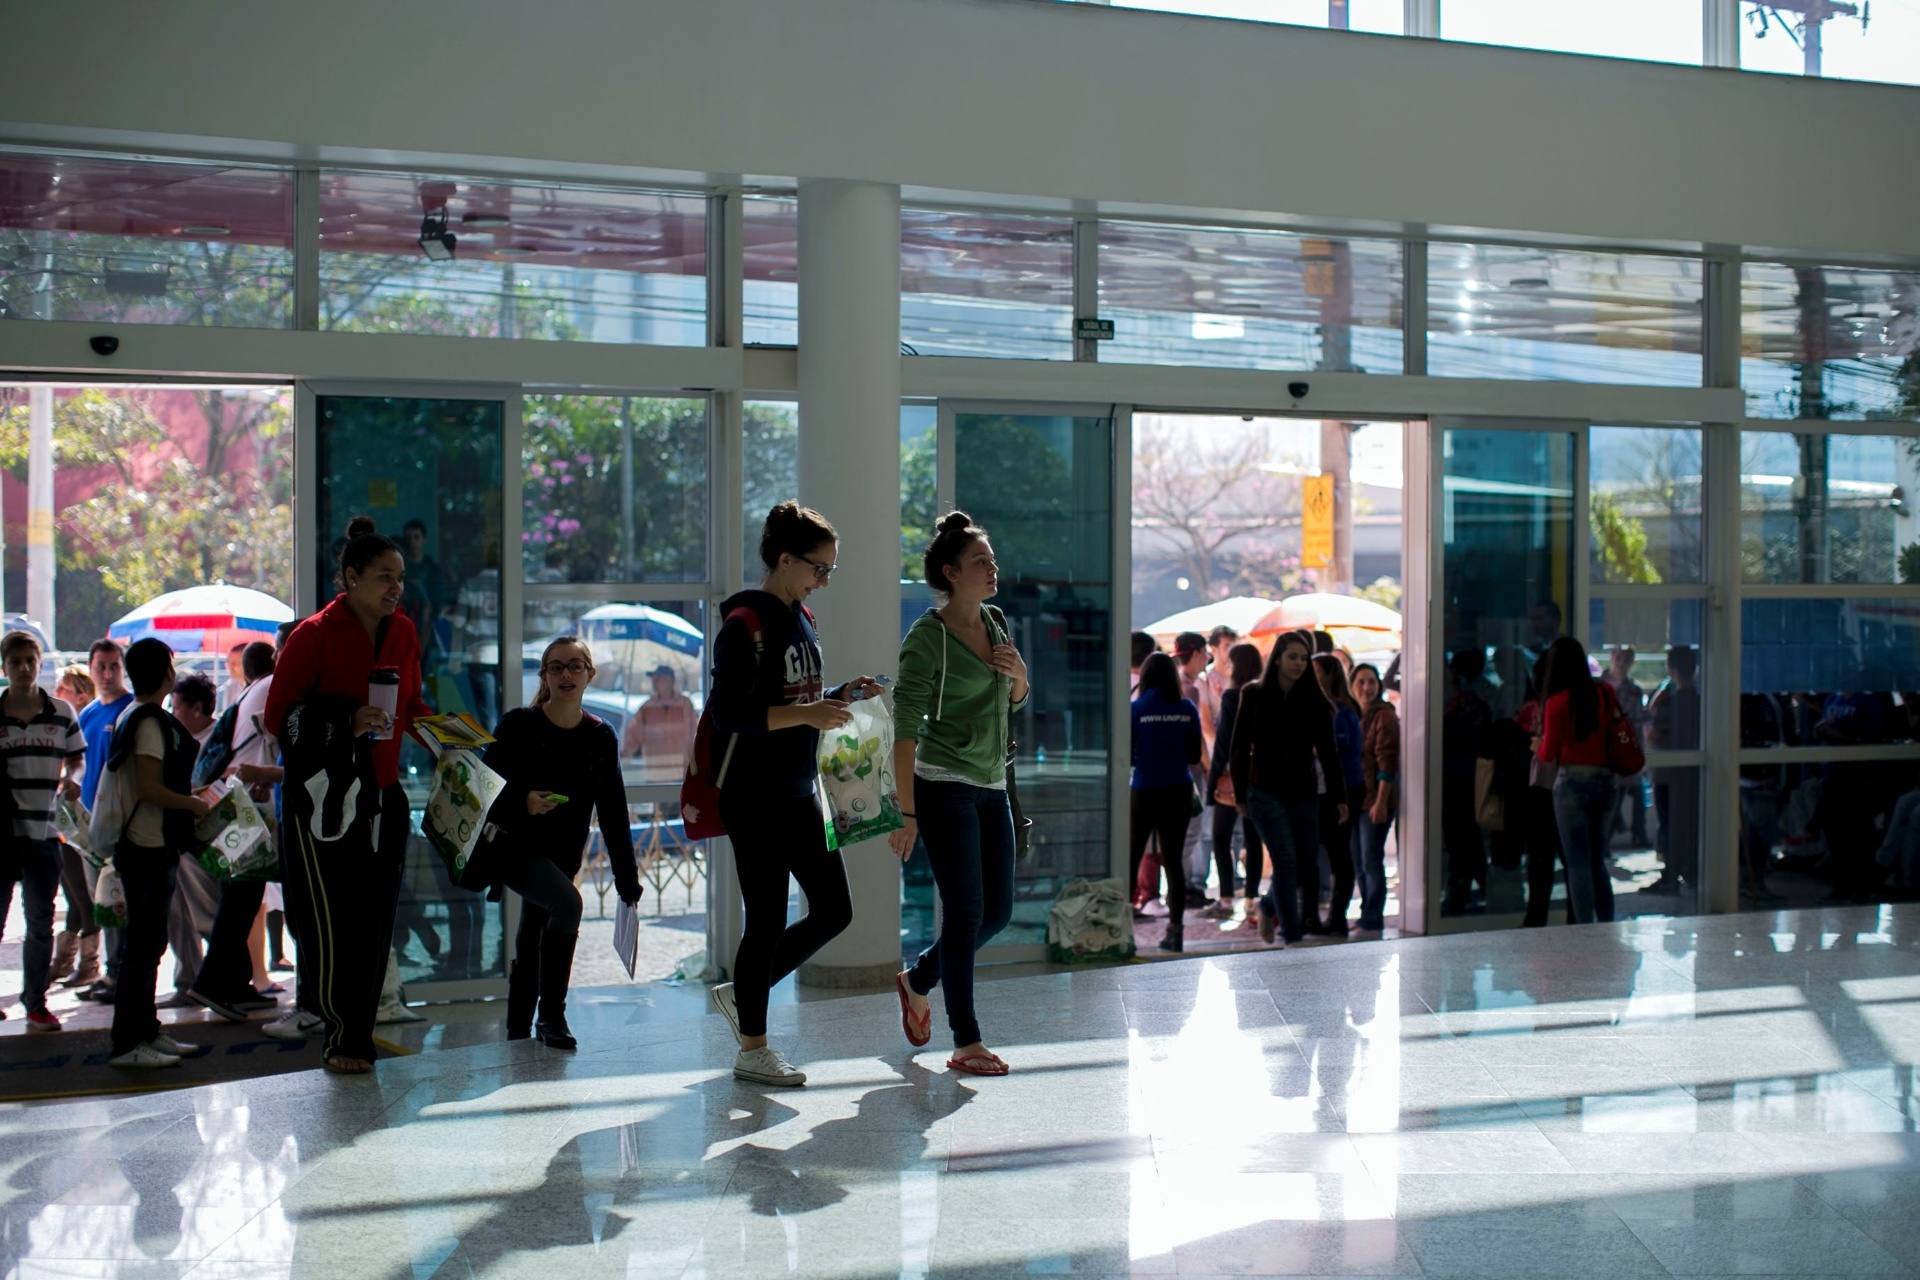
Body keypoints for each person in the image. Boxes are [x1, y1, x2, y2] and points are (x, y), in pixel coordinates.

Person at [705, 502, 880, 1088]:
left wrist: (840, 695)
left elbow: (794, 697)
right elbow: (730, 714)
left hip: (797, 788)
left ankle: (744, 992)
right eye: (818, 568)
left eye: (830, 570)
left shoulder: (802, 617)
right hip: (753, 793)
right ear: (785, 560)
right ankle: (752, 1049)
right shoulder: (743, 624)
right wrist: (808, 713)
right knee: (765, 919)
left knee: (835, 909)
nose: (823, 580)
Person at [266, 516, 434, 1075]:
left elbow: (411, 706)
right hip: (323, 803)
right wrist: (344, 720)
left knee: (374, 921)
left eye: (401, 578)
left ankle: (357, 1035)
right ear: (351, 577)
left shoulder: (403, 632)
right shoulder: (312, 636)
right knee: (330, 923)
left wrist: (447, 740)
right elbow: (278, 718)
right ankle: (341, 1037)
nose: (396, 588)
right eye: (385, 576)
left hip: (384, 796)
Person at [889, 512, 1030, 1074]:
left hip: (992, 782)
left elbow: (1014, 700)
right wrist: (906, 813)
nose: (993, 568)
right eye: (980, 562)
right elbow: (904, 730)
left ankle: (919, 978)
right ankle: (966, 1040)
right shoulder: (927, 639)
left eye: (992, 560)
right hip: (943, 784)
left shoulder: (995, 621)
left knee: (998, 912)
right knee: (966, 910)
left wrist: (1020, 676)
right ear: (950, 573)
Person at [485, 637, 643, 1049]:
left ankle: (517, 1030)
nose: (566, 674)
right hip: (515, 847)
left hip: (563, 853)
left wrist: (626, 879)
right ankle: (552, 1016)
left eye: (575, 666)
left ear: (590, 674)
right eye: (556, 667)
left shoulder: (600, 735)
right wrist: (522, 800)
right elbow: (484, 789)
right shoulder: (518, 725)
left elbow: (613, 810)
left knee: (533, 932)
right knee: (568, 904)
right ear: (545, 676)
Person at [102, 639, 211, 1069]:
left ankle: (146, 1031)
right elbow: (148, 788)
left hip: (148, 844)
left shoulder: (136, 715)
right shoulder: (148, 721)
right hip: (146, 845)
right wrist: (191, 804)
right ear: (165, 672)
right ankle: (128, 1042)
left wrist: (190, 797)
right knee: (142, 948)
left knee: (148, 945)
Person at [189, 640, 298, 1030]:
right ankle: (212, 983)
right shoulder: (277, 687)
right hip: (246, 803)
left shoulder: (256, 687)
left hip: (236, 799)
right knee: (241, 897)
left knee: (241, 895)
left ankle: (236, 984)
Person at [1229, 630, 1347, 947]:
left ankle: (1268, 906)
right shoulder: (1253, 694)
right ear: (1278, 658)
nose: (1298, 663)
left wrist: (1339, 797)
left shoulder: (1314, 700)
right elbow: (1239, 748)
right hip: (1263, 790)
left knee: (1306, 863)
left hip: (1303, 791)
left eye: (1303, 658)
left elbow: (1329, 752)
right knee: (1285, 860)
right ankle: (1292, 935)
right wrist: (1239, 794)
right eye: (1292, 656)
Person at [0, 630, 87, 1032]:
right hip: (3, 835)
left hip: (46, 832)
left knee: (40, 922)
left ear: (39, 664)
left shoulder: (61, 713)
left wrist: (73, 779)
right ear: (5, 667)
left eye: (29, 661)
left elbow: (77, 760)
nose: (23, 668)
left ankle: (35, 1002)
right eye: (15, 661)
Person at [1536, 635, 1621, 925]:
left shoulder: (1556, 703)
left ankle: (1584, 928)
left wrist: (1537, 745)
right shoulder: (1605, 693)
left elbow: (1548, 753)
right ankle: (1607, 923)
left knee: (1577, 863)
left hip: (1571, 784)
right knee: (1597, 860)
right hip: (1606, 781)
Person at [1128, 652, 1202, 952]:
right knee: (1173, 861)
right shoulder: (1186, 708)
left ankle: (1121, 928)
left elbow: (1127, 752)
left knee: (1132, 856)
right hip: (1178, 788)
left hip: (1144, 788)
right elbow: (1195, 756)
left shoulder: (1136, 708)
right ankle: (1175, 931)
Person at [76, 639, 134, 1005]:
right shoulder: (88, 714)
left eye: (114, 666)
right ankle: (111, 972)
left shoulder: (131, 710)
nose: (108, 674)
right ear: (91, 669)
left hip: (119, 825)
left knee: (119, 902)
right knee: (101, 904)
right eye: (102, 666)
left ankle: (121, 974)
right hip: (89, 827)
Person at [161, 672, 222, 1006]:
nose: (173, 713)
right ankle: (187, 982)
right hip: (177, 837)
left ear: (197, 708)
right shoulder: (177, 739)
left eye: (177, 706)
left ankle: (222, 979)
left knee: (207, 912)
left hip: (206, 840)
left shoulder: (218, 739)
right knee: (178, 914)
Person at [47, 663, 100, 989]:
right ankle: (64, 962)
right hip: (65, 821)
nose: (56, 693)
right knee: (73, 892)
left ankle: (87, 963)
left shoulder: (84, 726)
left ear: (80, 695)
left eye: (62, 688)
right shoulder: (68, 724)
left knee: (82, 893)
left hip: (81, 822)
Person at [1204, 643, 1264, 922]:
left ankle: (1226, 897)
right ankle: (1251, 898)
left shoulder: (1232, 695)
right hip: (1258, 776)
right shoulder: (1265, 693)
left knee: (1221, 836)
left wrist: (1214, 777)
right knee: (1253, 838)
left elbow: (1224, 741)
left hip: (1231, 777)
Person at [1311, 654, 1363, 936]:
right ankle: (1330, 915)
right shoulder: (1335, 707)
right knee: (1336, 854)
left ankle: (1336, 916)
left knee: (1338, 855)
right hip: (1337, 789)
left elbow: (1336, 750)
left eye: (1317, 672)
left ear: (1330, 675)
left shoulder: (1339, 711)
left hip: (1341, 790)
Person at [1441, 646, 1493, 915]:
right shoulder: (1481, 701)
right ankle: (1469, 894)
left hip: (1456, 779)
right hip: (1474, 777)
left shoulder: (1457, 705)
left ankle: (1460, 898)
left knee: (1461, 842)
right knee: (1469, 840)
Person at [1645, 646, 1701, 893]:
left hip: (1669, 774)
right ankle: (1689, 871)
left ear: (1670, 669)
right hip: (1694, 774)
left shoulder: (1671, 703)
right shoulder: (1702, 703)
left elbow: (1654, 735)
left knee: (1669, 825)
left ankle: (1670, 875)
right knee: (1690, 825)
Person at [1351, 661, 1397, 935]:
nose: (1366, 687)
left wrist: (1381, 802)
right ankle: (1366, 913)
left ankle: (1373, 917)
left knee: (1371, 859)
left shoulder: (1384, 716)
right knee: (1359, 861)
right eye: (1360, 682)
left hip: (1376, 801)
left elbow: (1387, 762)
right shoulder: (1356, 715)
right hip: (1357, 800)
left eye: (1371, 682)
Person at [1171, 631, 1212, 903]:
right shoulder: (1190, 689)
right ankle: (1183, 887)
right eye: (1205, 651)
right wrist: (1210, 767)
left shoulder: (1177, 683)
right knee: (1191, 831)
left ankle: (1181, 886)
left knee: (1183, 832)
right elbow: (1195, 736)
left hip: (1174, 769)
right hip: (1189, 771)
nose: (1207, 657)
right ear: (1196, 653)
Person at [447, 547, 502, 728]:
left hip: (479, 655)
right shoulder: (510, 583)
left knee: (488, 713)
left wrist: (454, 660)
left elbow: (459, 623)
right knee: (508, 710)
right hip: (507, 655)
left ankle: (492, 746)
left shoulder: (471, 585)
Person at [1604, 646, 1649, 847]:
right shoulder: (1600, 685)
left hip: (1626, 750)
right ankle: (1606, 841)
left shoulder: (1634, 689)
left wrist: (1639, 754)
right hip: (1605, 751)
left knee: (1637, 791)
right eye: (1619, 657)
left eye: (1627, 659)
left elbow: (1637, 724)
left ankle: (1638, 833)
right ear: (1611, 657)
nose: (1622, 663)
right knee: (1611, 797)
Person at [622, 665, 698, 784]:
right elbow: (633, 736)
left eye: (658, 679)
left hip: (682, 774)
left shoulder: (685, 705)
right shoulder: (647, 708)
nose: (654, 683)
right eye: (653, 679)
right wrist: (624, 758)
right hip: (655, 775)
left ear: (670, 681)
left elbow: (696, 734)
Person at [217, 643, 248, 713]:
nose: (230, 667)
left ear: (247, 664)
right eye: (228, 662)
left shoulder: (258, 688)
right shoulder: (230, 686)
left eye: (234, 663)